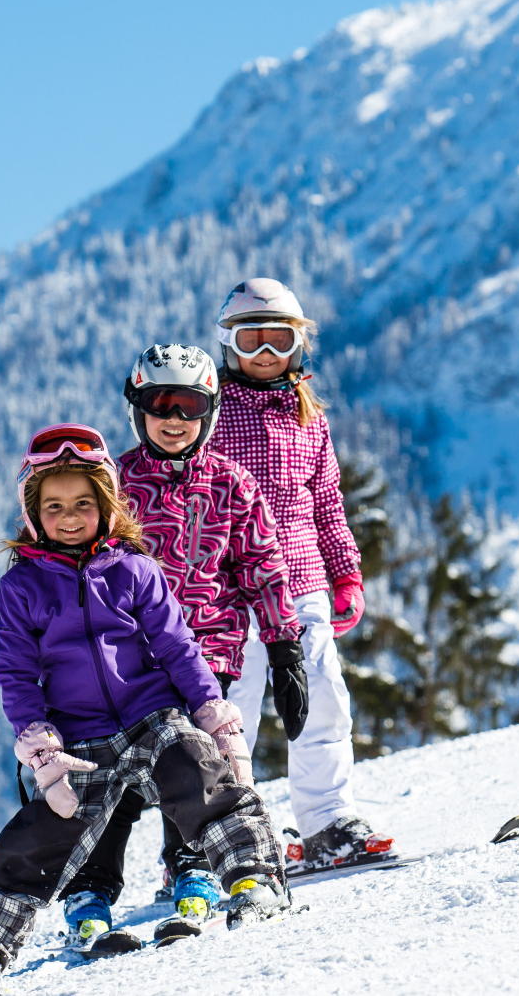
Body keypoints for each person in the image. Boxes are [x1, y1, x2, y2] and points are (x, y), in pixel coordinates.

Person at [0, 423, 288, 996]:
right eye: (54, 506)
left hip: (151, 711)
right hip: (76, 736)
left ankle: (252, 878)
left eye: (84, 503)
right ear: (33, 514)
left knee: (195, 768)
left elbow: (178, 646)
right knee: (46, 827)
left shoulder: (134, 570)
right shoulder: (22, 588)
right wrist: (43, 752)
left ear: (107, 505)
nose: (71, 516)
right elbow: (16, 674)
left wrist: (212, 712)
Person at [55, 345, 312, 939]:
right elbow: (69, 565)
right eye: (159, 405)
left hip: (206, 654)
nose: (174, 419)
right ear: (136, 408)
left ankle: (192, 869)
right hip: (122, 663)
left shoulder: (231, 485)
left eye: (190, 406)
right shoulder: (112, 487)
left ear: (211, 411)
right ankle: (89, 890)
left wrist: (284, 647)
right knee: (108, 775)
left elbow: (263, 568)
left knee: (195, 760)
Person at [210, 279, 391, 868]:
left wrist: (345, 574)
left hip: (301, 582)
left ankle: (326, 821)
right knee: (225, 710)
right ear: (227, 344)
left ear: (299, 344)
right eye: (251, 339)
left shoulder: (307, 415)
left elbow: (327, 501)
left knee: (322, 701)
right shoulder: (208, 414)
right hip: (227, 591)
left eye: (279, 340)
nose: (265, 353)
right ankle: (214, 838)